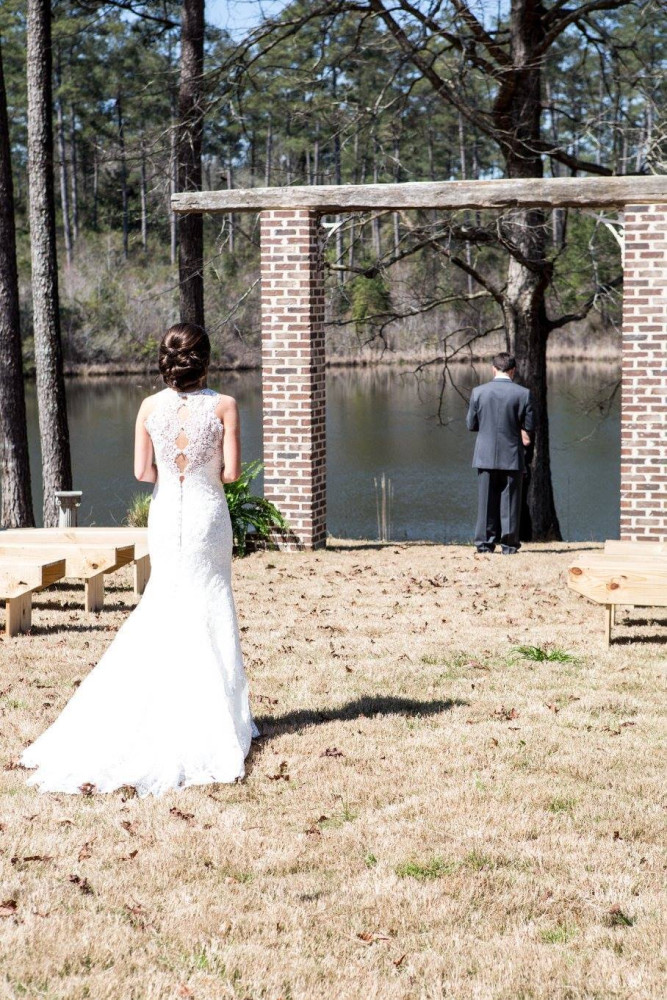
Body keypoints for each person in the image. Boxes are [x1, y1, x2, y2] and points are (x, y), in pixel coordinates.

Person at [21, 323, 258, 796]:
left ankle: (155, 704)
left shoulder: (149, 407)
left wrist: (174, 473)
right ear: (205, 361)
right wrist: (203, 472)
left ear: (166, 362)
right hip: (208, 516)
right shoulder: (225, 406)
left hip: (166, 514)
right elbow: (231, 473)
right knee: (209, 603)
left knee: (163, 604)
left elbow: (141, 472)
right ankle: (215, 716)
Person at [466, 351, 534, 555]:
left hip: (485, 454)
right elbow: (530, 425)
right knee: (510, 502)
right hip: (512, 454)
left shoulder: (478, 392)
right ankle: (509, 545)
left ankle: (484, 544)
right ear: (513, 371)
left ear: (493, 369)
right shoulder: (524, 394)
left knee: (486, 502)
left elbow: (471, 424)